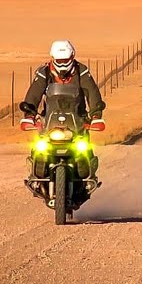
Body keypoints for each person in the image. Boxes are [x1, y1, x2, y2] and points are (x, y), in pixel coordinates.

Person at [19, 40, 106, 185]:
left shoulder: (81, 71)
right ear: (52, 58)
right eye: (59, 60)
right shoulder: (44, 72)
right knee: (39, 148)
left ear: (72, 56)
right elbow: (34, 93)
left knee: (85, 149)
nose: (63, 64)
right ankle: (36, 176)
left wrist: (96, 115)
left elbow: (92, 92)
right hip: (50, 121)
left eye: (65, 60)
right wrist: (29, 114)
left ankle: (88, 179)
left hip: (77, 121)